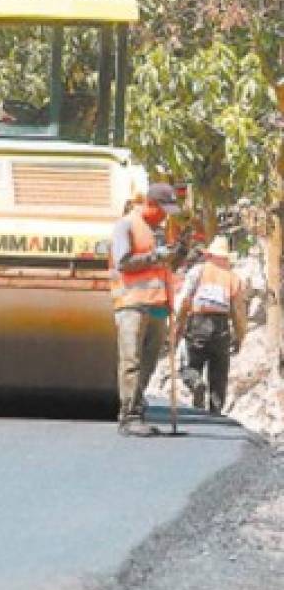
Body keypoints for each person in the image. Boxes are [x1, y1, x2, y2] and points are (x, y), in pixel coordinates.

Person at [110, 183, 180, 435]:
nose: (166, 215)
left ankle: (138, 408)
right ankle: (128, 417)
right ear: (150, 204)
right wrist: (155, 256)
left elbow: (165, 267)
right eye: (163, 209)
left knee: (149, 363)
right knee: (132, 361)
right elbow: (123, 262)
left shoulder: (161, 230)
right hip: (132, 304)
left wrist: (177, 253)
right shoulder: (126, 226)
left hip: (158, 304)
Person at [174, 236, 246, 415]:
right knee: (219, 372)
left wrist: (178, 324)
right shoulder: (233, 278)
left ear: (210, 255)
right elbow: (238, 312)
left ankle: (196, 382)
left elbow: (184, 299)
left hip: (198, 322)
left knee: (189, 365)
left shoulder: (198, 271)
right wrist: (239, 335)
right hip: (221, 326)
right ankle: (216, 410)